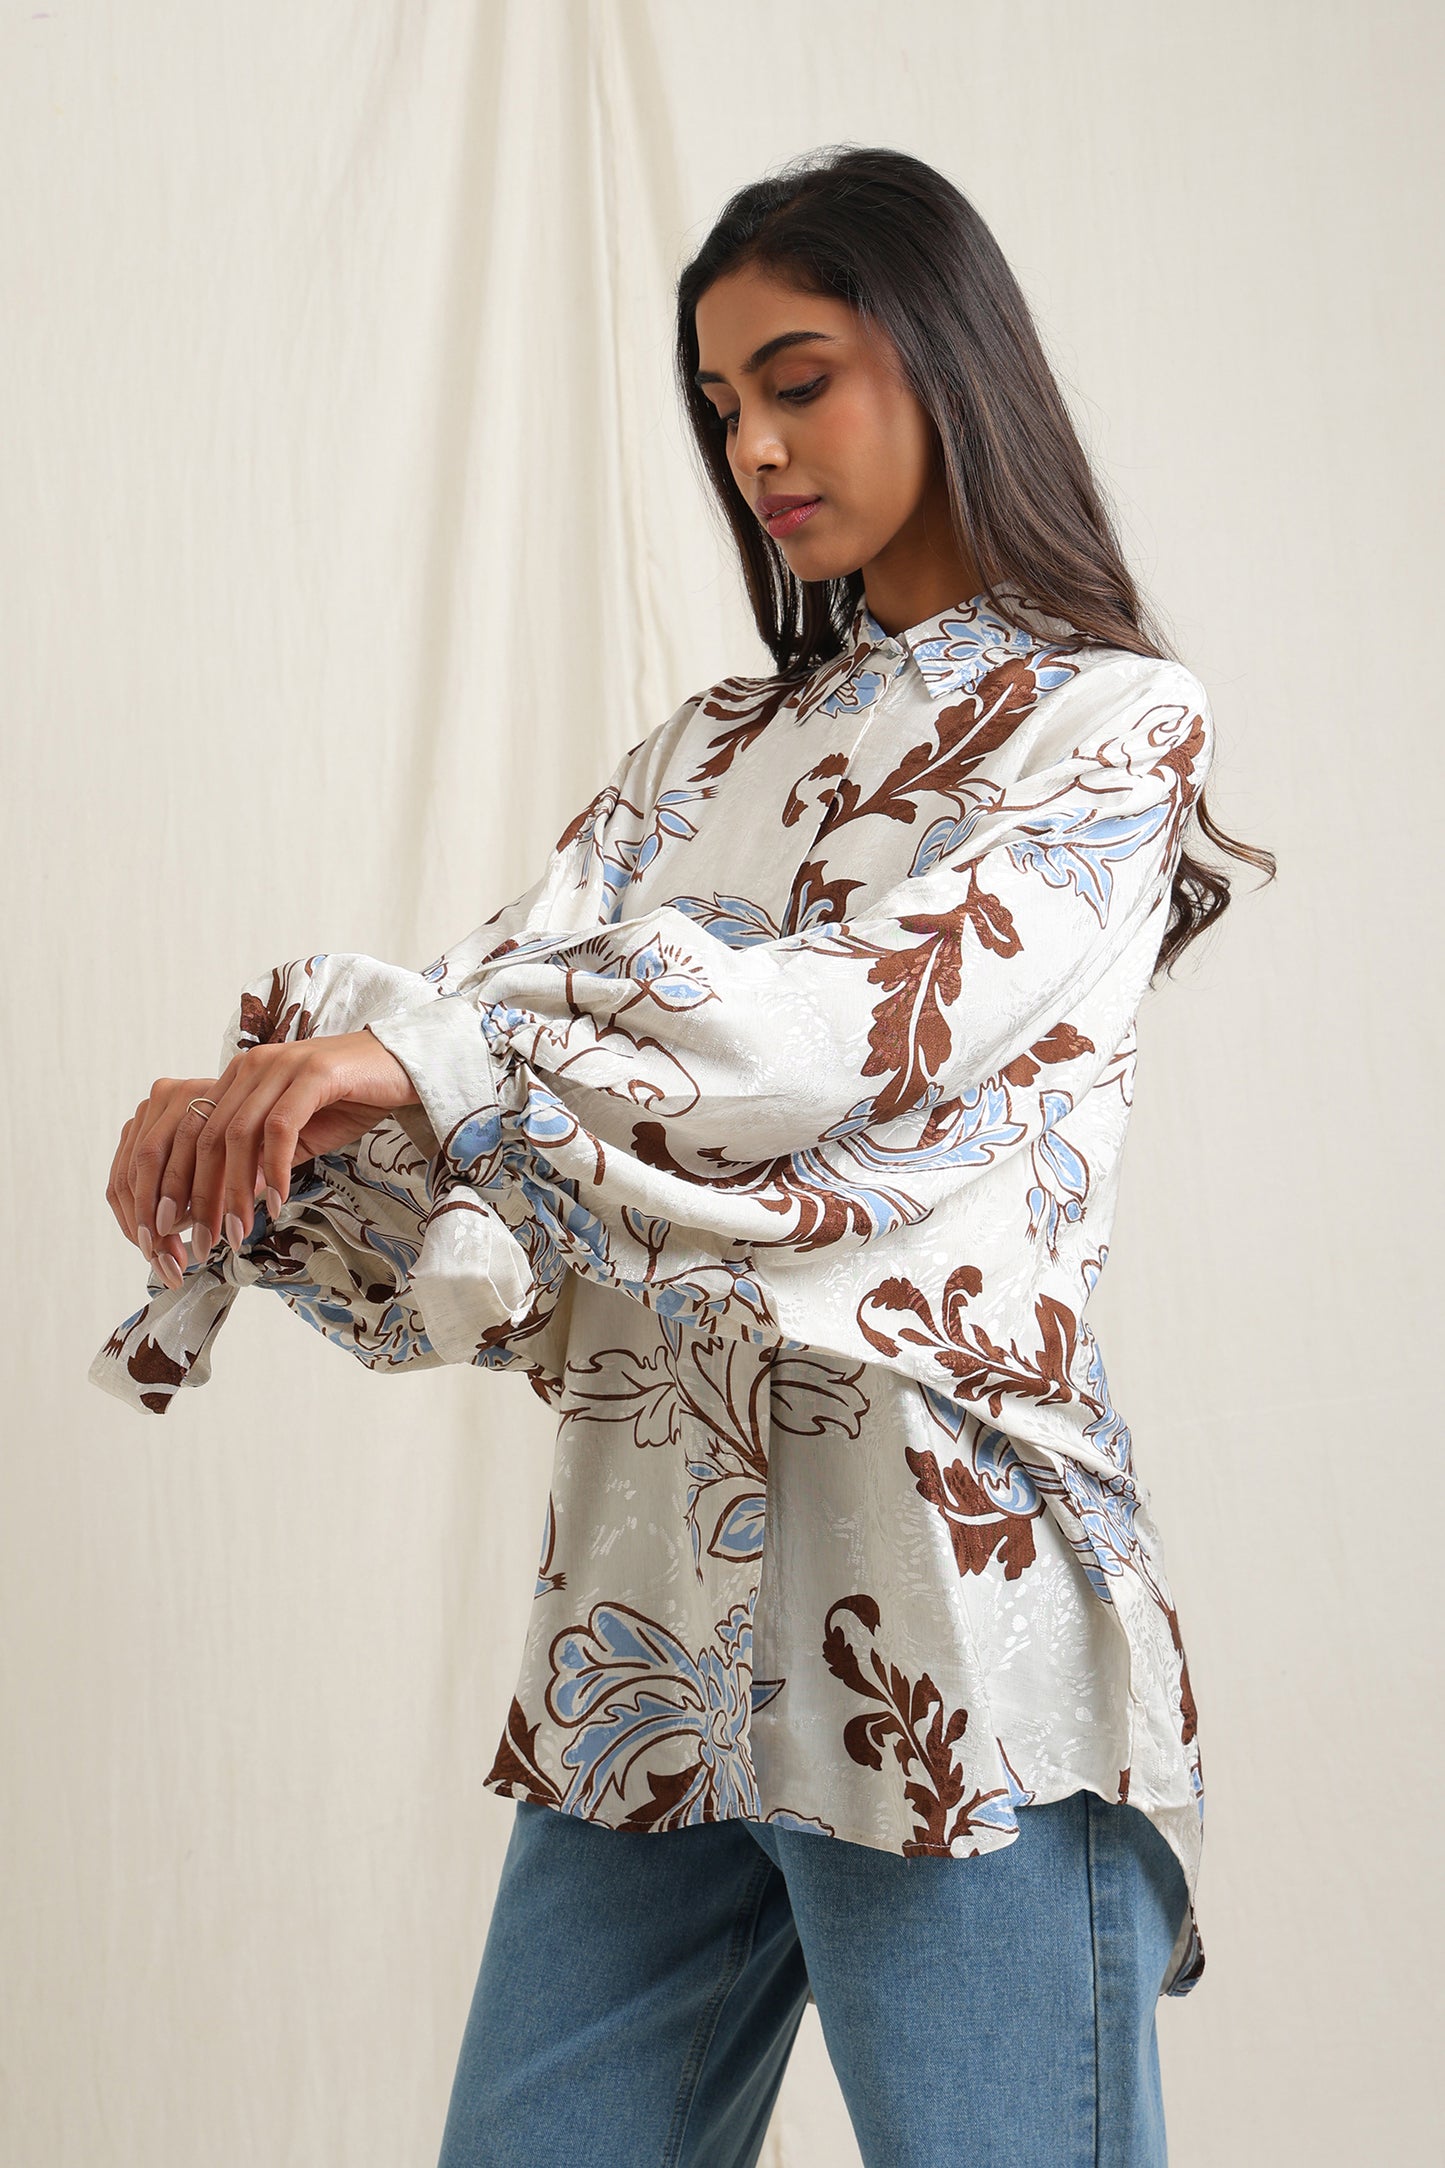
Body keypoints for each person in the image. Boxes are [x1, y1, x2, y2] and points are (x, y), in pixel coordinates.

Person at [98, 146, 1273, 2166]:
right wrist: (269, 1098)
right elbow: (498, 1092)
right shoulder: (705, 756)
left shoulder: (1107, 725)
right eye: (723, 405)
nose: (755, 448)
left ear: (949, 361)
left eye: (797, 382)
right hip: (651, 1616)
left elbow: (831, 1039)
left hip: (942, 1622)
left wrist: (430, 1053)